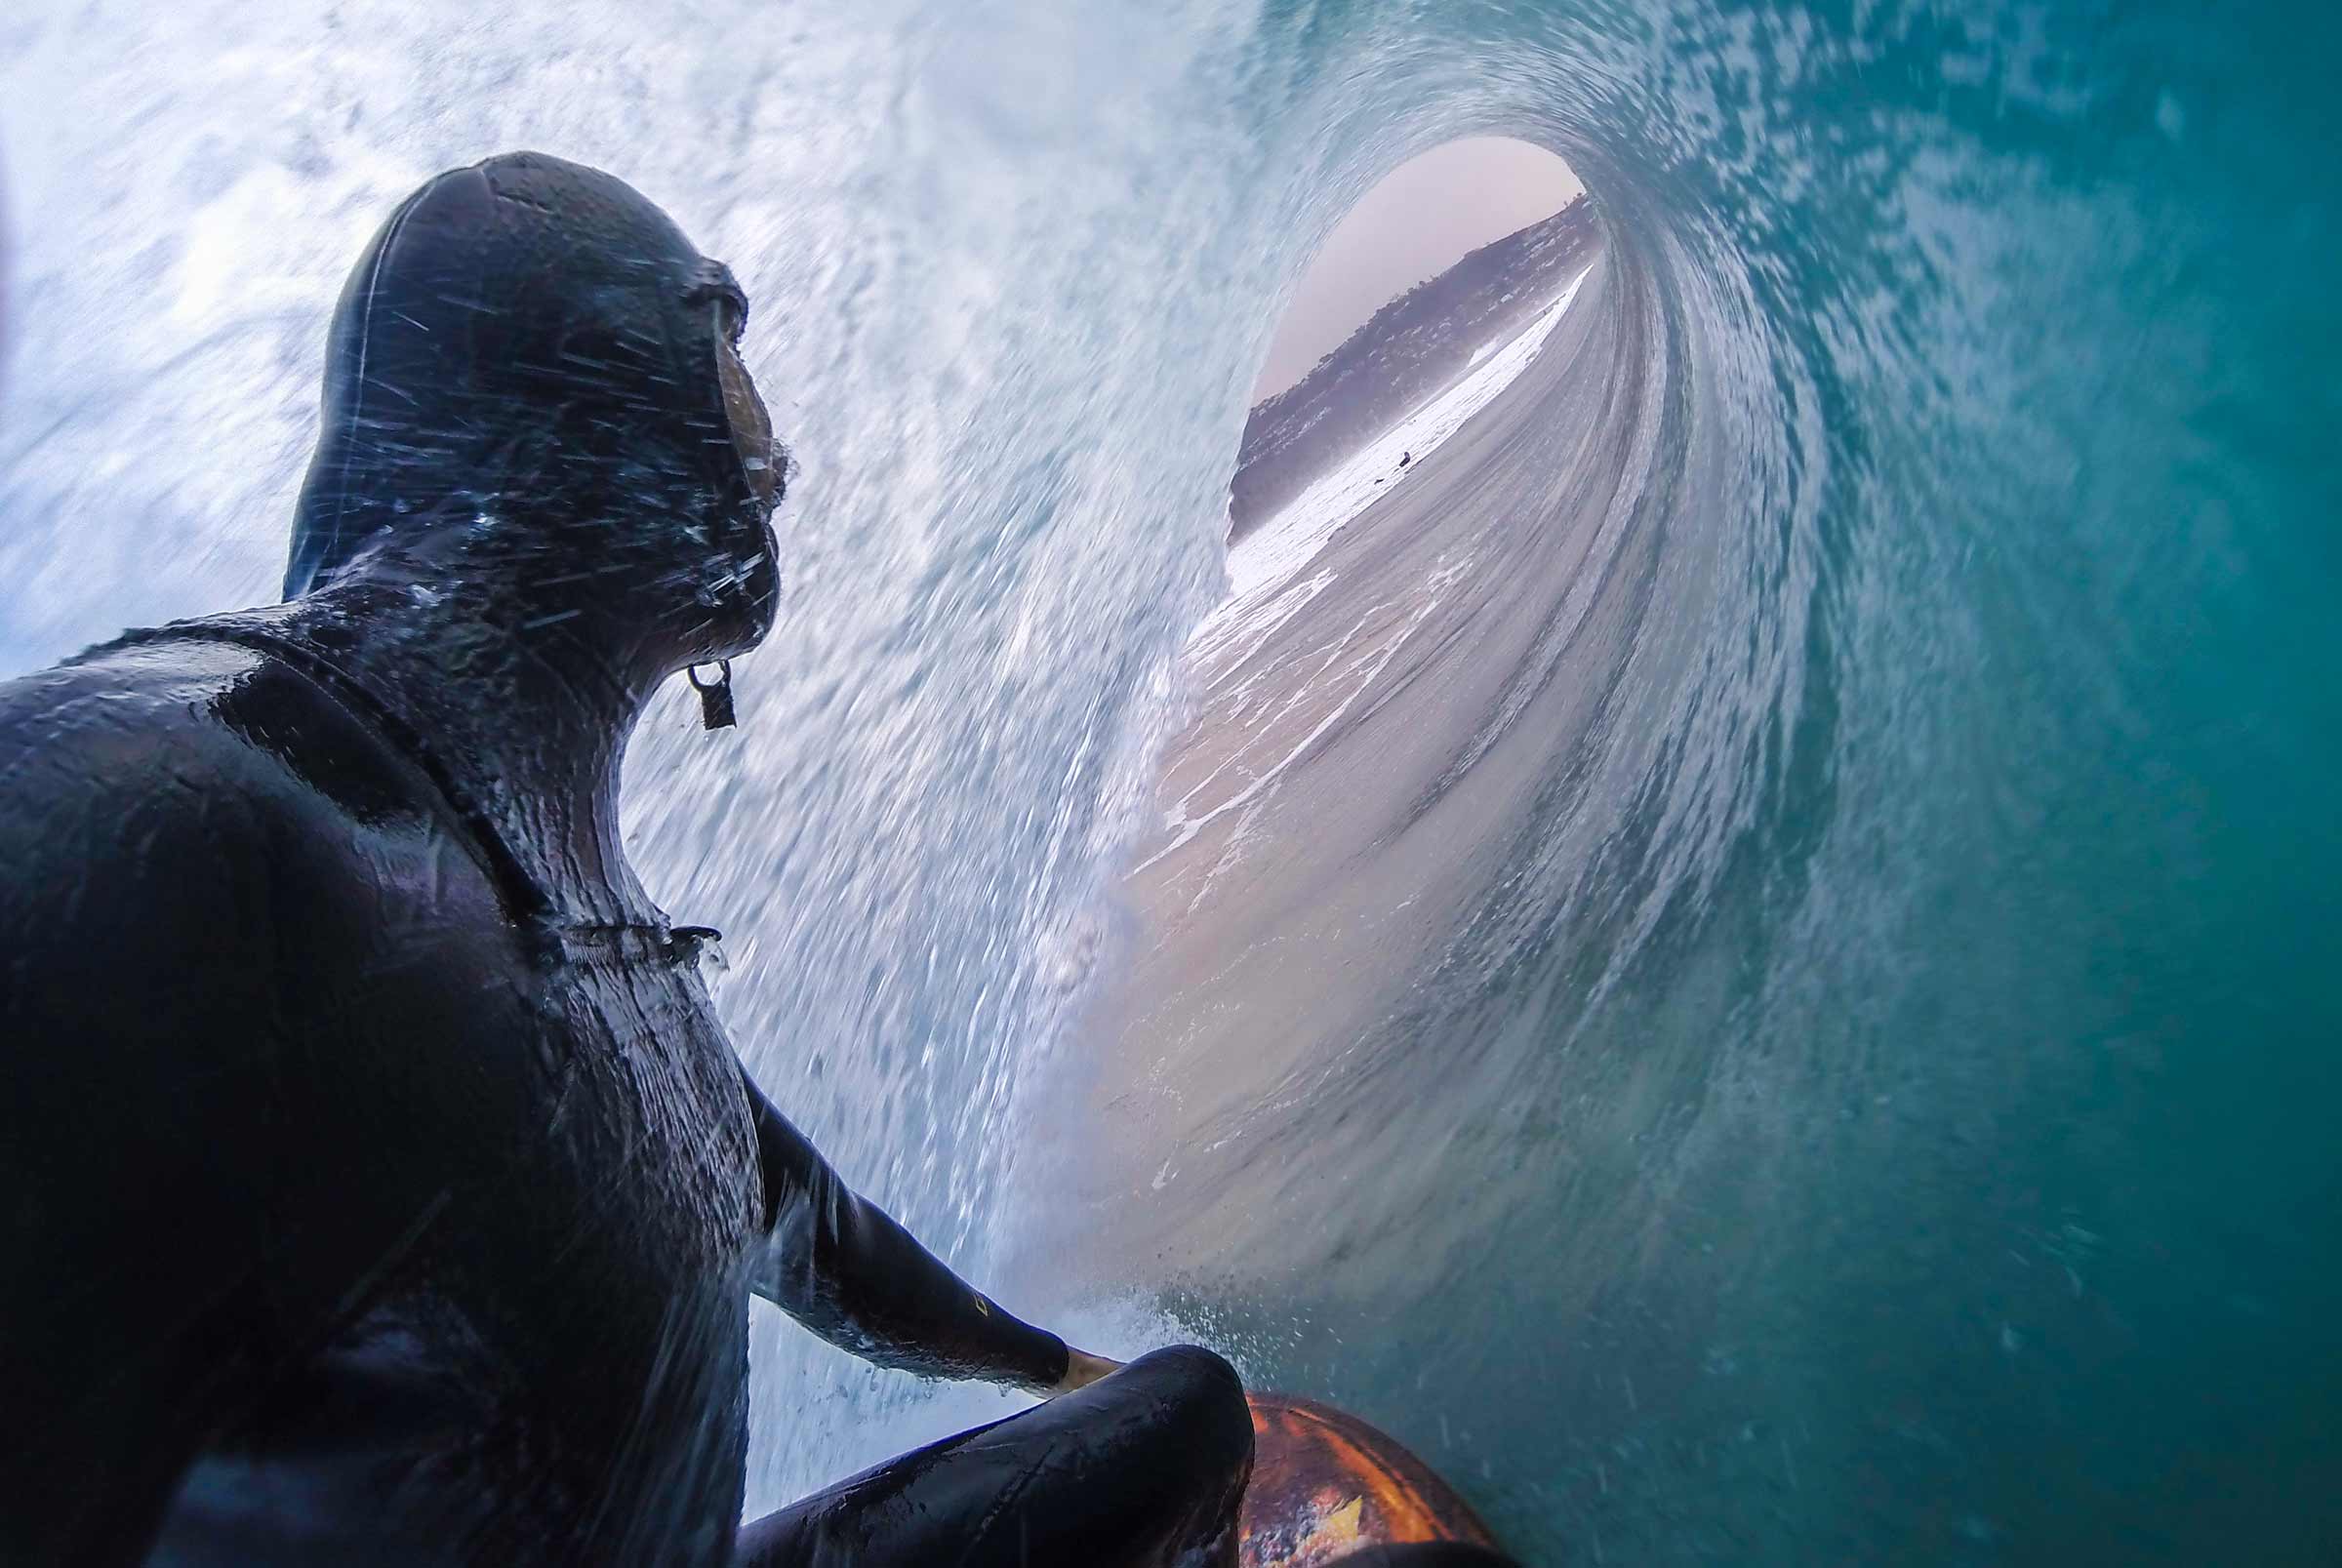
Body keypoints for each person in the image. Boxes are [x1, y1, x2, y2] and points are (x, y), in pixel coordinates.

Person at [0, 152, 1252, 1567]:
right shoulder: (161, 814)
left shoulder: (571, 909)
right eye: (721, 344)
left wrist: (1047, 1371)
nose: (775, 448)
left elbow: (805, 1224)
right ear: (582, 382)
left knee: (1175, 1426)